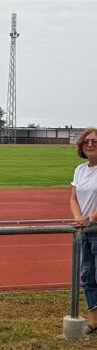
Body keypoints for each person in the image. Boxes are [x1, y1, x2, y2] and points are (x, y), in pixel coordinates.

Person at [70, 127, 97, 334]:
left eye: (94, 141)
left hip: (95, 228)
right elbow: (73, 198)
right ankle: (93, 319)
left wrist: (90, 218)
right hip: (85, 230)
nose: (90, 144)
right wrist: (78, 217)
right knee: (87, 275)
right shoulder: (80, 169)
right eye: (86, 141)